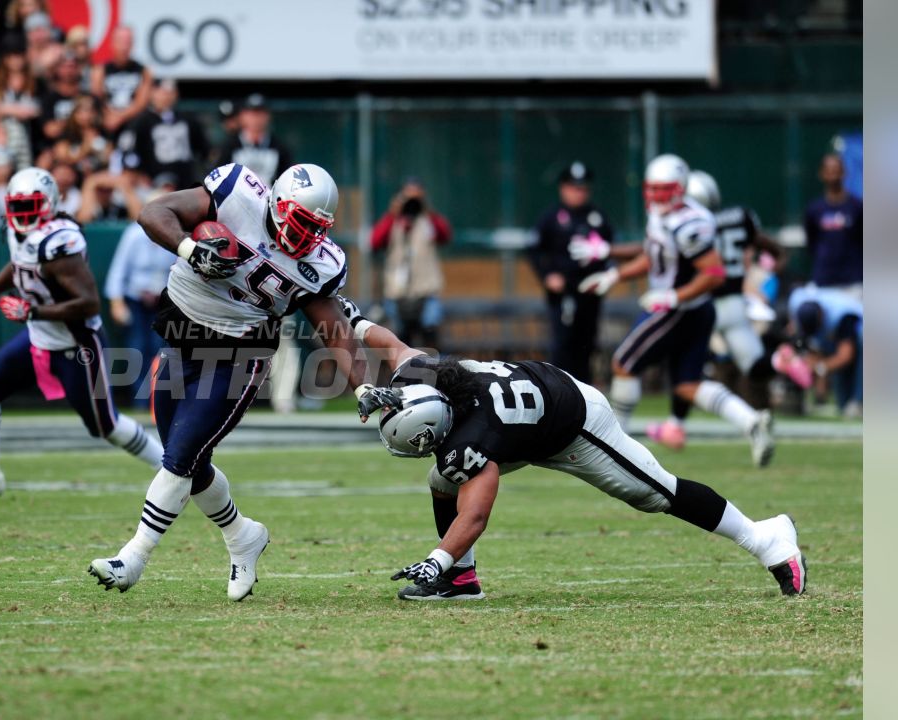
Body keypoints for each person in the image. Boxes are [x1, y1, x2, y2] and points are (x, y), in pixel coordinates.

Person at [340, 298, 807, 599]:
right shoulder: (421, 376)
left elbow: (477, 515)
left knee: (653, 493)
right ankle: (460, 580)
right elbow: (389, 341)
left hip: (574, 422)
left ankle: (766, 537)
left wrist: (434, 558)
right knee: (442, 478)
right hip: (529, 411)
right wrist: (354, 320)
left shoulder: (474, 438)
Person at [87, 162, 370, 601]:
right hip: (181, 333)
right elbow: (153, 213)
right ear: (277, 204)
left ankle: (134, 556)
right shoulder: (237, 192)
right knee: (187, 460)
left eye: (316, 229)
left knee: (180, 456)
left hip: (241, 351)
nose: (305, 238)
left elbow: (331, 325)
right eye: (299, 223)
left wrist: (363, 385)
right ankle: (243, 535)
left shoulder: (320, 262)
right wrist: (187, 248)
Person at [0, 168, 164, 505]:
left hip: (76, 345)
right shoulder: (24, 235)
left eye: (29, 205)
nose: (21, 214)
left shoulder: (60, 242)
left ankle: (171, 470)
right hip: (38, 340)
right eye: (16, 206)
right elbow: (19, 266)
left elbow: (88, 303)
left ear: (49, 203)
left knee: (106, 426)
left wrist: (32, 312)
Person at [576, 155, 775, 468]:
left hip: (679, 310)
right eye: (652, 189)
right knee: (687, 385)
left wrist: (673, 296)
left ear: (681, 189)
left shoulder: (690, 224)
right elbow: (655, 256)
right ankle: (752, 421)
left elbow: (713, 273)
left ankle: (612, 444)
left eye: (664, 189)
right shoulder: (664, 217)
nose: (656, 196)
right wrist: (616, 274)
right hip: (693, 309)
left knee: (624, 364)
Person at [643, 170, 786, 449]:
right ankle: (780, 362)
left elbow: (703, 269)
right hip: (735, 301)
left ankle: (676, 425)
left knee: (684, 373)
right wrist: (767, 274)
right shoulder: (738, 217)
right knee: (752, 365)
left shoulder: (690, 226)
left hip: (702, 303)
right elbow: (770, 249)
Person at [528, 161, 615, 383]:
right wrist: (548, 275)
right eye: (574, 188)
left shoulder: (598, 216)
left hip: (590, 291)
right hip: (563, 292)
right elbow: (535, 250)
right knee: (563, 343)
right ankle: (560, 389)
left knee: (587, 344)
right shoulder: (552, 217)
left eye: (583, 188)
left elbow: (611, 250)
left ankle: (585, 392)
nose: (579, 193)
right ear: (563, 188)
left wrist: (608, 274)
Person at [104, 202, 178, 408]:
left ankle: (159, 400)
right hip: (136, 299)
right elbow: (119, 270)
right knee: (137, 347)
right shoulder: (133, 234)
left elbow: (179, 269)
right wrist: (116, 303)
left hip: (163, 300)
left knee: (159, 347)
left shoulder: (173, 232)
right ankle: (139, 400)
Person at [369, 177, 452, 349]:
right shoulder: (393, 220)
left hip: (426, 291)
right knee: (400, 340)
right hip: (397, 293)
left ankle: (437, 373)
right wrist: (393, 212)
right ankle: (404, 373)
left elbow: (445, 234)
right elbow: (375, 241)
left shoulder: (428, 220)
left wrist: (427, 209)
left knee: (431, 335)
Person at [779, 286, 863, 417]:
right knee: (843, 405)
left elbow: (846, 355)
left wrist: (819, 367)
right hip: (832, 338)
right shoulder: (795, 301)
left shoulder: (841, 315)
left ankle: (860, 400)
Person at [122, 78, 209, 190]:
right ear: (152, 93)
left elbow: (203, 148)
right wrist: (139, 173)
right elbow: (130, 149)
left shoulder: (187, 119)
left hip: (186, 179)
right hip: (154, 181)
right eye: (162, 92)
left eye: (170, 92)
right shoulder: (142, 121)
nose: (166, 96)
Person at [803, 153, 862, 299]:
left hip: (852, 282)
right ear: (822, 174)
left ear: (844, 173)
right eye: (829, 171)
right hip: (824, 280)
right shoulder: (814, 209)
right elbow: (811, 242)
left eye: (836, 170)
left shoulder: (857, 207)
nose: (833, 176)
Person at [217, 94, 290, 187]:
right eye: (252, 113)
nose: (256, 119)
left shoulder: (280, 148)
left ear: (268, 116)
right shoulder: (229, 146)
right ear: (242, 116)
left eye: (260, 113)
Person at [91, 25, 151, 138]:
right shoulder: (100, 70)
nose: (124, 47)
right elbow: (97, 96)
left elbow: (141, 103)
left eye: (128, 42)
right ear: (112, 43)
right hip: (106, 121)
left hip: (133, 123)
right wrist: (109, 115)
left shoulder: (143, 71)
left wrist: (120, 117)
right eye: (120, 42)